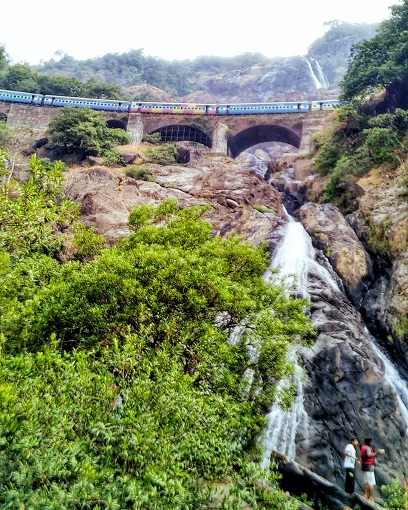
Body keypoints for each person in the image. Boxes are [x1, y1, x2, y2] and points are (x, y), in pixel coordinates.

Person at [360, 437, 384, 502]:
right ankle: (370, 497)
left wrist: (374, 459)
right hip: (369, 467)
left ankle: (365, 495)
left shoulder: (363, 447)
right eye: (371, 442)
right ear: (368, 442)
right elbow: (368, 455)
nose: (372, 443)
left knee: (366, 482)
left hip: (364, 467)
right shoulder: (367, 448)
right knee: (371, 483)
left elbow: (366, 456)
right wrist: (377, 453)